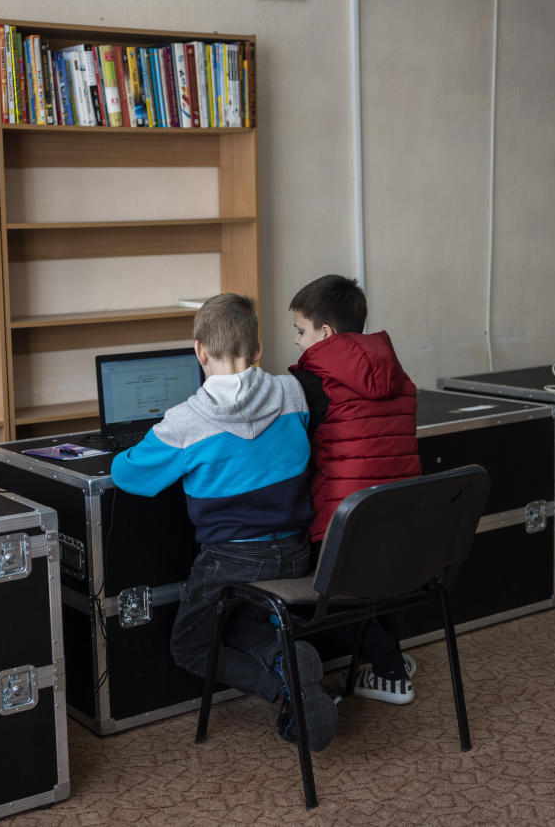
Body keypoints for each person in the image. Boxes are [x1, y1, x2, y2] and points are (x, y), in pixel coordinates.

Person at [110, 293, 337, 751]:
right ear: (258, 351)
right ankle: (285, 656)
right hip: (296, 552)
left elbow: (128, 474)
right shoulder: (295, 394)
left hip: (231, 560)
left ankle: (282, 684)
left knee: (191, 646)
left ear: (199, 351)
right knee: (241, 622)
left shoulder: (186, 420)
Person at [289, 274, 423, 704]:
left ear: (325, 333)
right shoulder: (397, 372)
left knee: (303, 573)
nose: (296, 342)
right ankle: (394, 660)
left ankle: (388, 668)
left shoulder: (313, 383)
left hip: (344, 525)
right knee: (374, 569)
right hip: (402, 526)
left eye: (300, 331)